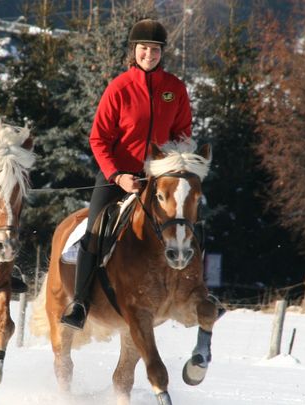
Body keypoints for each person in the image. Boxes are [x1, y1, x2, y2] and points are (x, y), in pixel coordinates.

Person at [60, 19, 193, 329]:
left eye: (156, 49)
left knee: (187, 220)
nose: (150, 54)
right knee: (94, 230)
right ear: (134, 51)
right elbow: (99, 139)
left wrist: (169, 166)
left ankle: (193, 292)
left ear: (162, 52)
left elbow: (183, 132)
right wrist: (118, 176)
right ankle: (80, 301)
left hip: (159, 179)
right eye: (144, 48)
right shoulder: (119, 87)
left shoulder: (175, 89)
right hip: (116, 177)